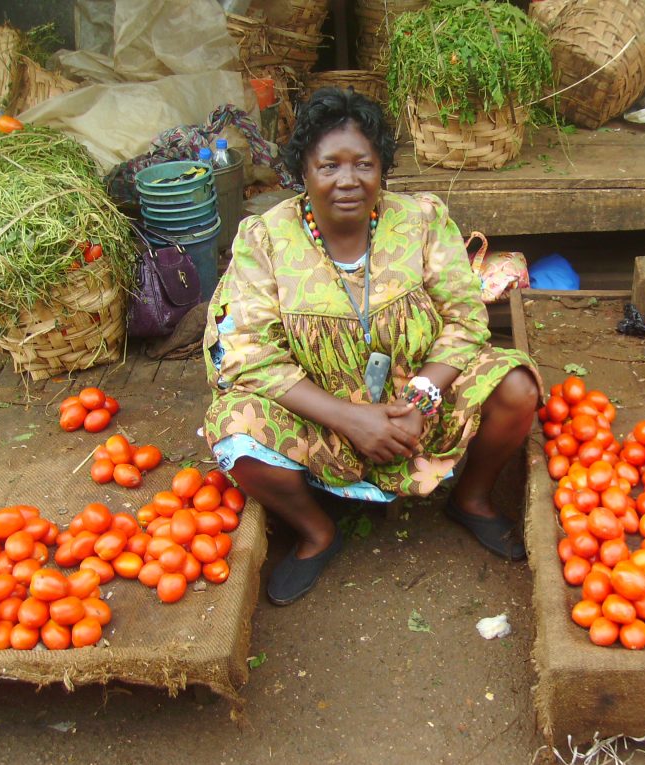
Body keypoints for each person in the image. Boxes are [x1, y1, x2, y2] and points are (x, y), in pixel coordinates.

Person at [203, 87, 542, 605]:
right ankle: (317, 531)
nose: (348, 180)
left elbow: (466, 318)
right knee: (232, 431)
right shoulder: (265, 239)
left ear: (382, 167)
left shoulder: (421, 221)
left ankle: (471, 499)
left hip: (417, 407)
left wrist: (422, 399)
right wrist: (349, 418)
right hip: (320, 415)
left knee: (517, 386)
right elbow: (248, 353)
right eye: (329, 165)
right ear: (304, 171)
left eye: (363, 163)